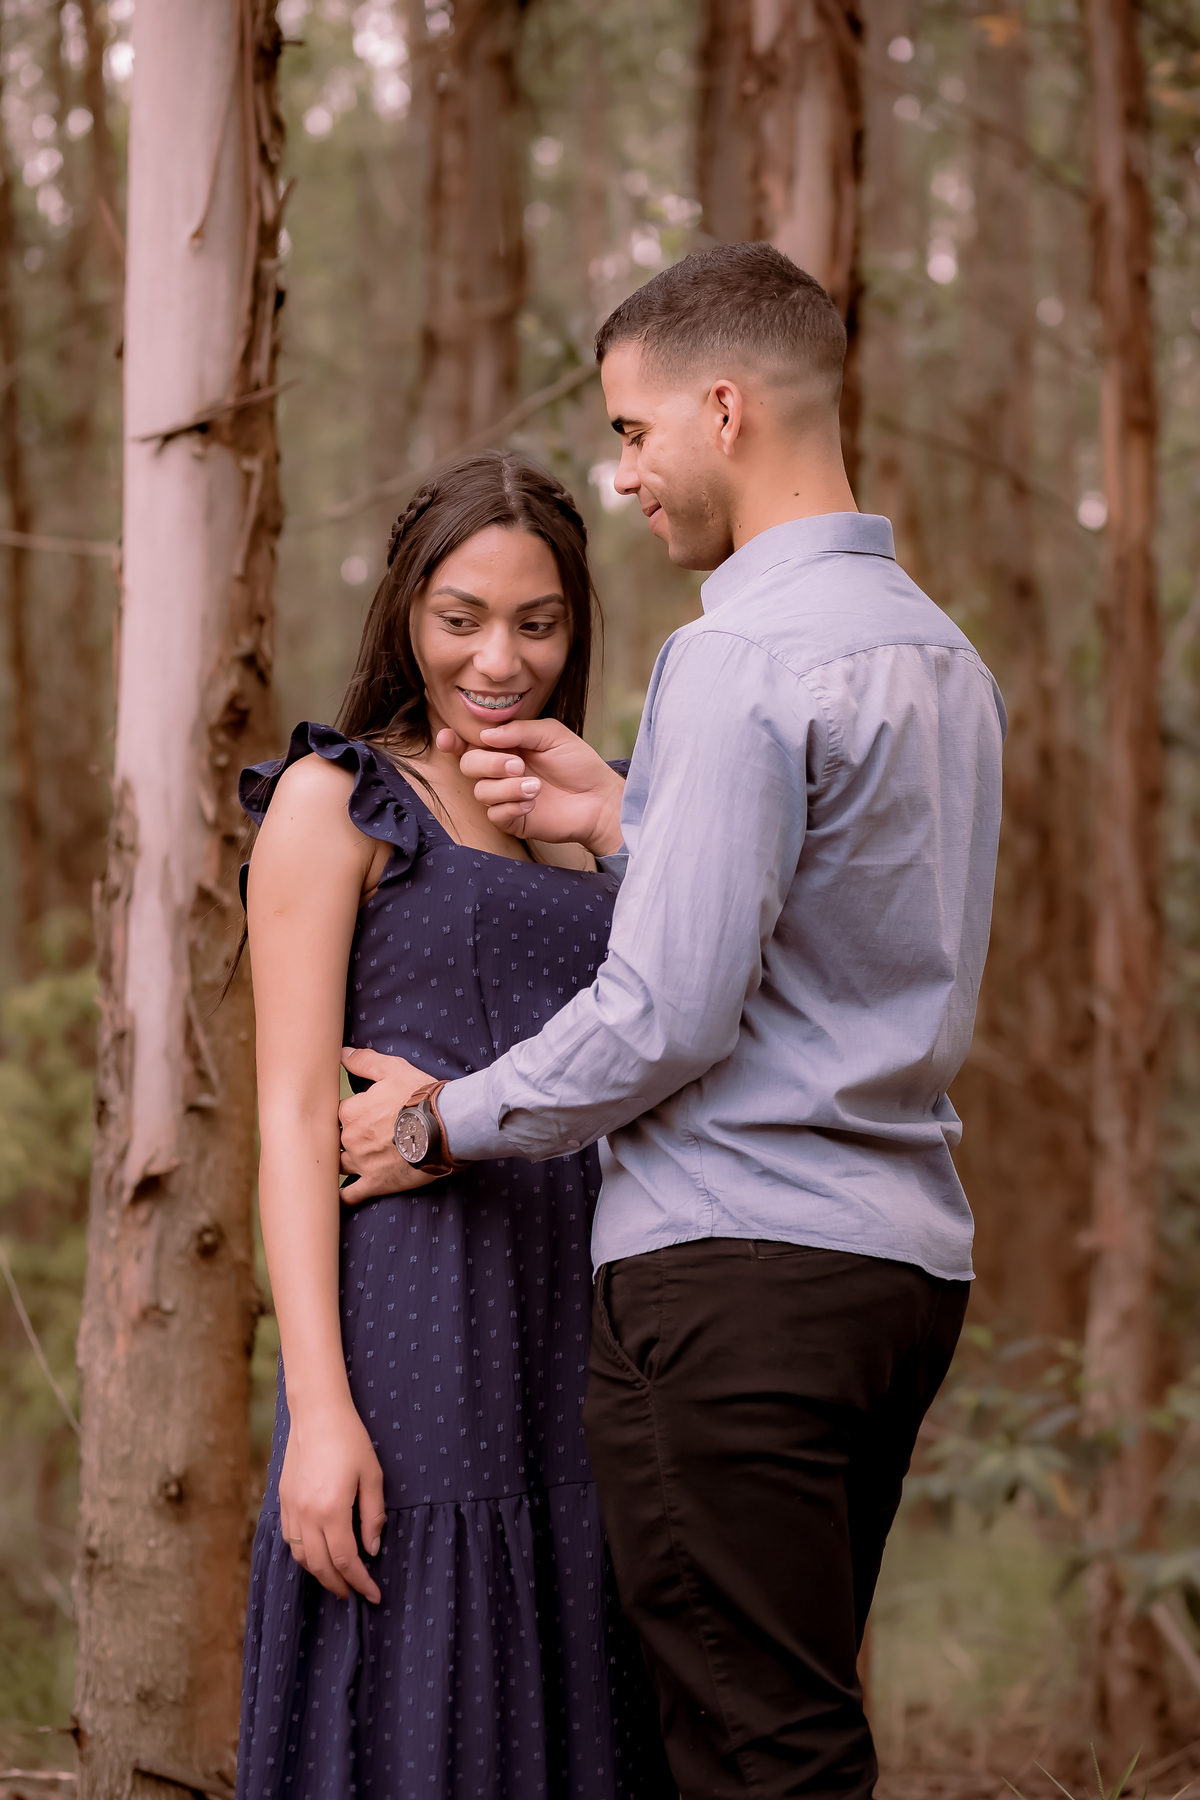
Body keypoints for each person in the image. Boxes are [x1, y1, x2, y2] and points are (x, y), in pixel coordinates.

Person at [337, 243, 1007, 1799]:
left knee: (755, 1757)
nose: (623, 471)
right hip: (897, 1277)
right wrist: (634, 818)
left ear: (723, 408)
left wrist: (441, 1118)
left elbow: (665, 1013)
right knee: (789, 1713)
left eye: (634, 431)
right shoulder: (939, 656)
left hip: (734, 1283)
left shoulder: (733, 654)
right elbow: (837, 937)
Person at [234, 450, 674, 1800]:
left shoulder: (592, 809)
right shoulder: (342, 799)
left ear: (575, 626)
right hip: (420, 1322)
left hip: (590, 1316)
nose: (499, 658)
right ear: (407, 614)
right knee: (428, 1684)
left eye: (536, 623)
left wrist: (611, 825)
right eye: (461, 618)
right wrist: (318, 1409)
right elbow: (295, 1116)